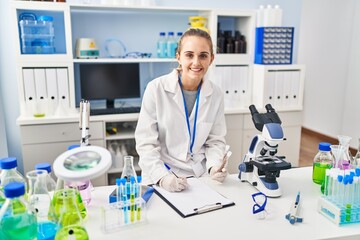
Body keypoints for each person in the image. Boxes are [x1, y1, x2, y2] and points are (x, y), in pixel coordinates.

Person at [135, 28, 228, 192]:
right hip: (163, 171)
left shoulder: (216, 94)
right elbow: (146, 143)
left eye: (203, 56)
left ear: (211, 59)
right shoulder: (156, 89)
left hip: (200, 174)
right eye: (189, 55)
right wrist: (162, 177)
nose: (196, 62)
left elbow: (215, 140)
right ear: (178, 56)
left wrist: (214, 166)